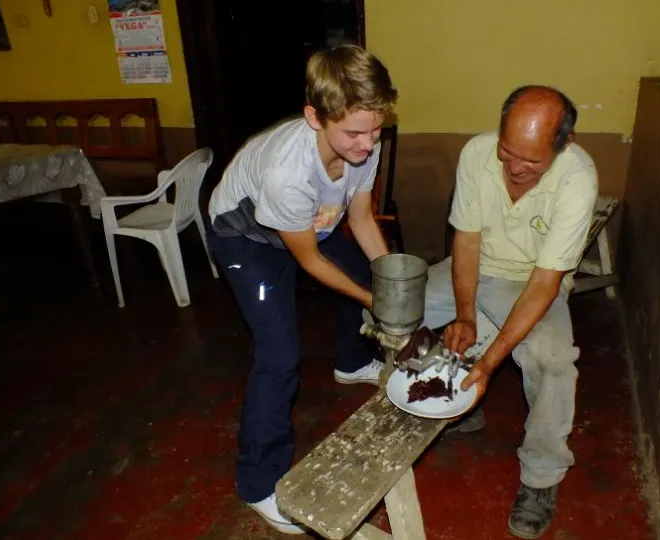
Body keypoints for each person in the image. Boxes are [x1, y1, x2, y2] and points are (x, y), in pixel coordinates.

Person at [206, 44, 397, 535]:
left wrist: (390, 278)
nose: (367, 144)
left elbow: (359, 218)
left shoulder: (362, 147)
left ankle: (351, 361)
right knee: (279, 355)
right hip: (246, 237)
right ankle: (258, 485)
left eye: (376, 130)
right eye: (354, 132)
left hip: (311, 224)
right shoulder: (286, 172)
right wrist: (372, 301)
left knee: (362, 270)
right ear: (315, 117)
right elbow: (309, 260)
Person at [423, 85, 597, 539]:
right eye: (507, 151)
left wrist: (487, 361)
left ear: (565, 144)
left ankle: (541, 477)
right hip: (478, 268)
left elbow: (544, 284)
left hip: (532, 279)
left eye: (532, 161)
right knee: (397, 310)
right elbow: (467, 242)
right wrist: (464, 313)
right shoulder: (477, 155)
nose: (515, 168)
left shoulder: (577, 178)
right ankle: (461, 408)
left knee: (552, 358)